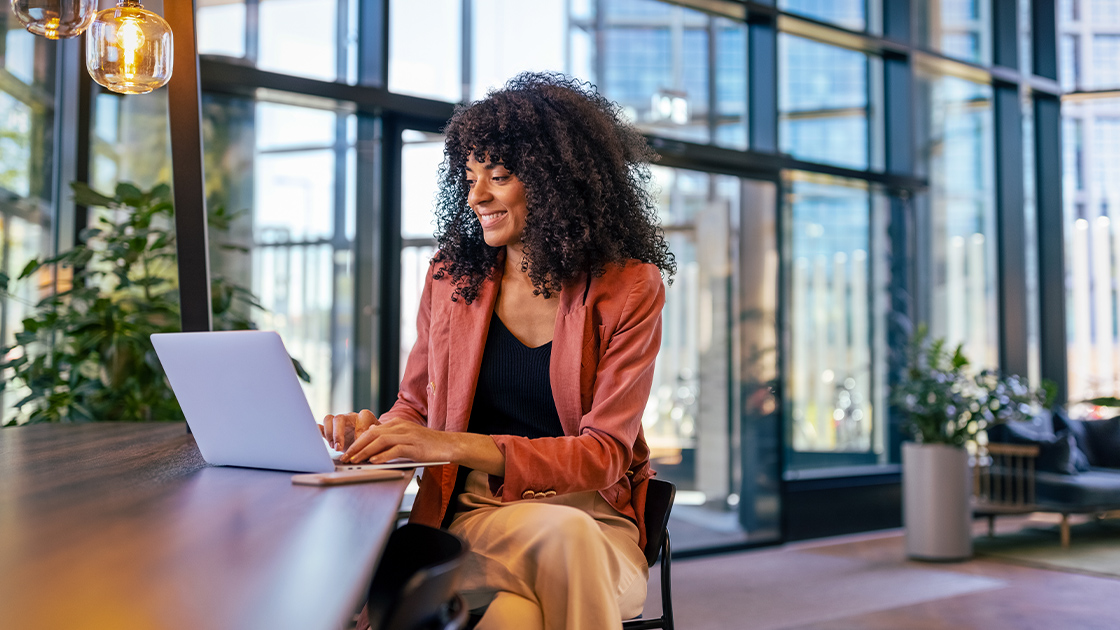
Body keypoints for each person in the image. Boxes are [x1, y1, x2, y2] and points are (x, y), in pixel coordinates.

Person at [324, 72, 675, 630]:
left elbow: (606, 452)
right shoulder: (450, 278)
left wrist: (449, 442)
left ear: (557, 182)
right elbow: (414, 407)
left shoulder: (628, 287)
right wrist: (376, 431)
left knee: (522, 610)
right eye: (470, 177)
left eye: (500, 176)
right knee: (561, 547)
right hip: (476, 516)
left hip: (591, 520)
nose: (477, 195)